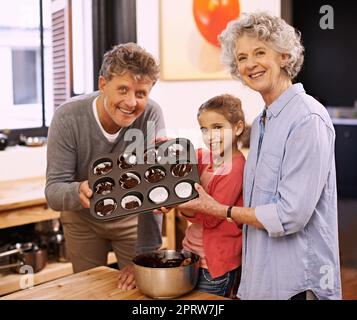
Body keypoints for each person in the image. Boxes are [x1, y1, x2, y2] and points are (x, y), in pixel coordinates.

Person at [173, 12, 342, 300]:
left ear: (284, 57)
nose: (250, 64)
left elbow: (290, 215)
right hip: (263, 278)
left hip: (298, 282)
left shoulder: (307, 118)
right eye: (242, 57)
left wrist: (220, 210)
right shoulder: (264, 120)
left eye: (260, 52)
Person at [45, 43, 166, 290]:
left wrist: (144, 256)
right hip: (83, 220)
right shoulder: (67, 117)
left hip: (133, 218)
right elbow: (54, 192)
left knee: (140, 289)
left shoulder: (151, 115)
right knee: (89, 290)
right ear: (103, 84)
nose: (131, 102)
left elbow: (155, 187)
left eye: (141, 93)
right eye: (122, 89)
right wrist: (77, 190)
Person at [179, 94, 246, 298]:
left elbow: (211, 218)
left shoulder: (235, 168)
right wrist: (161, 143)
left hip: (213, 266)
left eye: (217, 127)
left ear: (237, 128)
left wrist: (181, 206)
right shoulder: (208, 157)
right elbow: (187, 151)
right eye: (204, 129)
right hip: (192, 254)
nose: (210, 136)